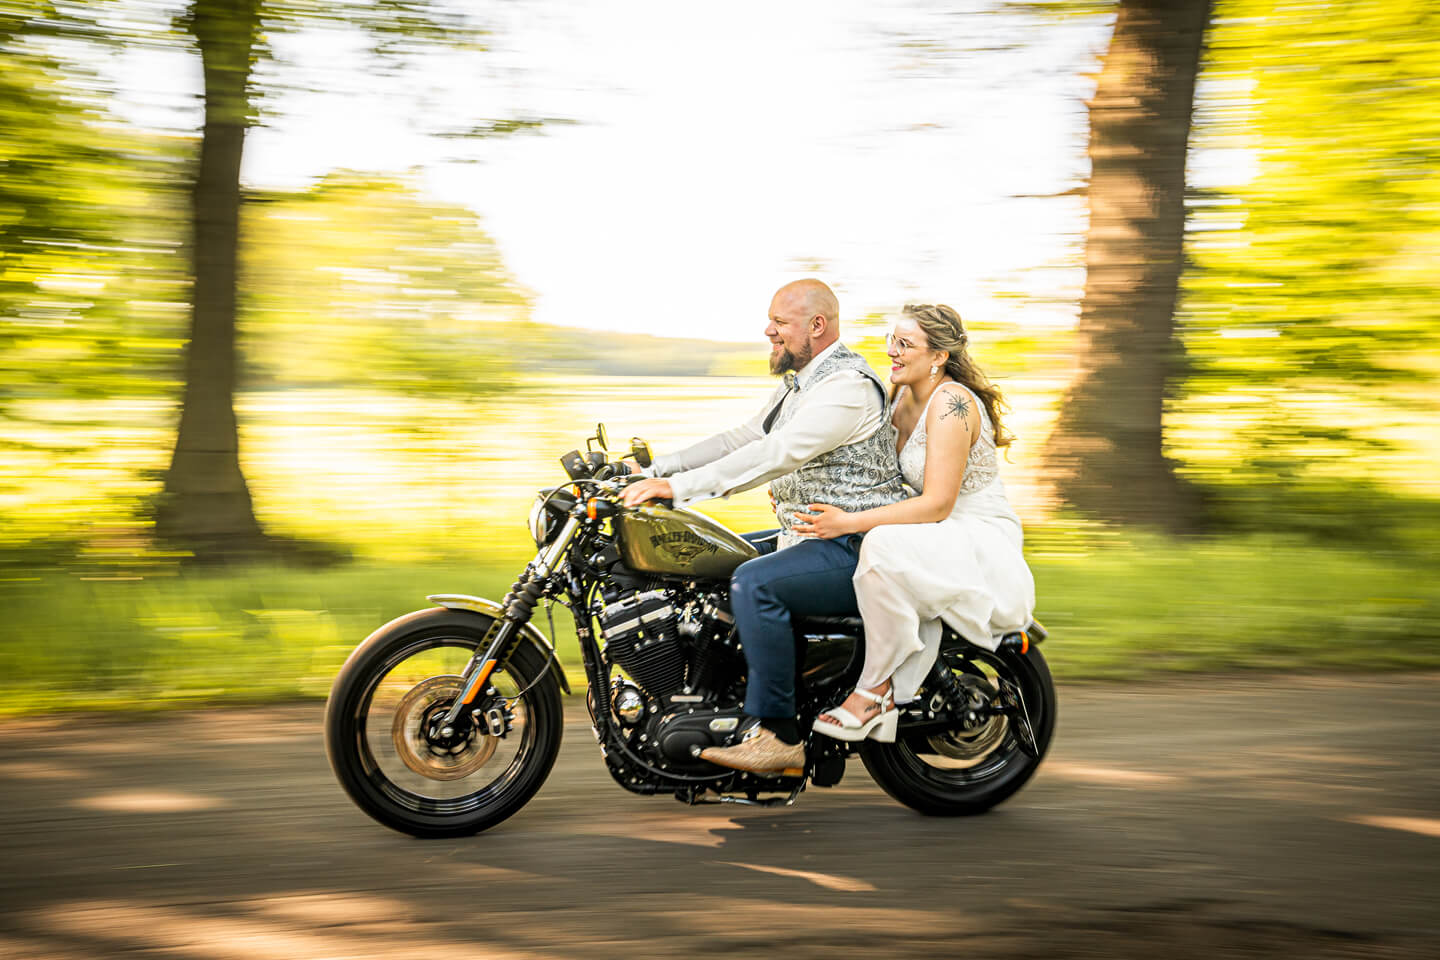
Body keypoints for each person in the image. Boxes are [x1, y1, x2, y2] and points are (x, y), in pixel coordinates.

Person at [622, 279, 906, 775]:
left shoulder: (847, 387)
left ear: (817, 326)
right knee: (701, 564)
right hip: (811, 535)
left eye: (780, 321)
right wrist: (656, 470)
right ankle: (714, 699)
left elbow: (777, 453)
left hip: (856, 545)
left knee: (754, 582)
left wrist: (679, 489)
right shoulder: (804, 383)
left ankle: (779, 736)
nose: (768, 330)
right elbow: (745, 436)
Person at [791, 303, 1035, 742]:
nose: (892, 352)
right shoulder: (900, 392)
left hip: (972, 529)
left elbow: (938, 504)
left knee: (879, 545)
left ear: (938, 356)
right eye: (892, 340)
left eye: (905, 344)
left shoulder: (952, 404)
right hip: (930, 520)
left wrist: (848, 522)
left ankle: (876, 692)